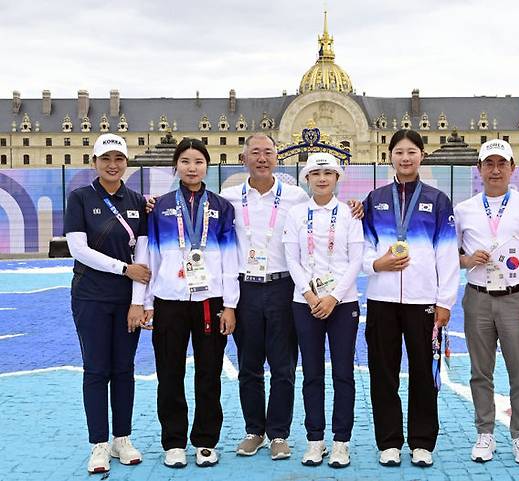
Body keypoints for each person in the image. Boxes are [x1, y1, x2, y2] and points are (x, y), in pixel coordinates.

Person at [221, 134, 363, 460]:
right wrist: (151, 203)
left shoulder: (296, 197)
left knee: (284, 365)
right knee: (249, 365)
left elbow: (329, 210)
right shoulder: (227, 198)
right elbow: (198, 206)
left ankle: (279, 434)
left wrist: (358, 205)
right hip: (246, 287)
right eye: (254, 153)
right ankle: (254, 430)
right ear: (244, 159)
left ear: (277, 158)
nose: (261, 158)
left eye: (268, 153)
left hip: (285, 287)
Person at [131, 138, 239, 469]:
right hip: (169, 301)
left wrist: (231, 304)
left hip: (210, 301)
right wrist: (146, 301)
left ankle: (206, 441)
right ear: (176, 166)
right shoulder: (159, 207)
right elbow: (148, 257)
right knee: (170, 373)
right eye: (186, 161)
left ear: (208, 166)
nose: (192, 168)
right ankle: (174, 442)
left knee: (209, 373)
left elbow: (231, 258)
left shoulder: (222, 207)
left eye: (199, 162)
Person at [361, 129, 460, 467]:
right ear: (390, 156)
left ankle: (421, 442)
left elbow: (447, 254)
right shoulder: (374, 200)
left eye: (412, 152)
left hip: (424, 303)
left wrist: (445, 301)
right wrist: (378, 264)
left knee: (423, 372)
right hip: (382, 300)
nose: (405, 158)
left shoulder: (438, 199)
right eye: (399, 152)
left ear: (422, 156)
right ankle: (388, 442)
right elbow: (362, 249)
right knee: (383, 372)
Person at [454, 139, 519, 466]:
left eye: (501, 164)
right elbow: (452, 255)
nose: (495, 170)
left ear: (512, 169)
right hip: (477, 298)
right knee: (481, 372)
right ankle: (485, 432)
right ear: (479, 170)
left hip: (516, 298)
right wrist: (467, 260)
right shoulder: (463, 209)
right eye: (488, 164)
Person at [64, 133, 149, 474]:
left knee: (124, 370)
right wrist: (123, 268)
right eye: (106, 159)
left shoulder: (139, 200)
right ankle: (99, 444)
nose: (113, 165)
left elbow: (142, 255)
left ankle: (122, 438)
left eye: (119, 159)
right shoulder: (80, 198)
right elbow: (78, 249)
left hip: (125, 299)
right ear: (94, 163)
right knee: (96, 370)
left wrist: (137, 302)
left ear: (126, 163)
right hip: (90, 296)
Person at [282, 153, 364, 468]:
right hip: (305, 304)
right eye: (315, 173)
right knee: (312, 375)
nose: (321, 178)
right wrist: (309, 294)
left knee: (344, 374)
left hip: (342, 304)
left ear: (337, 178)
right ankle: (315, 441)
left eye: (328, 173)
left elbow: (355, 260)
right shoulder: (296, 214)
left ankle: (341, 442)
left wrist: (333, 297)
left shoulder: (349, 213)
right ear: (306, 179)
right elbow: (292, 258)